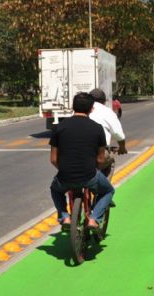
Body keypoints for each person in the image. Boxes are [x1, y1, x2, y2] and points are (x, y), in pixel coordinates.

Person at [49, 92, 115, 230]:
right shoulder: (97, 128)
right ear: (91, 109)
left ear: (72, 107)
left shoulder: (58, 128)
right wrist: (95, 169)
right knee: (108, 191)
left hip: (65, 177)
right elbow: (101, 158)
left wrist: (66, 170)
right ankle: (94, 219)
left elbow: (53, 159)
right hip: (89, 176)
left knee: (55, 190)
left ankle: (64, 217)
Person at [89, 89, 128, 163]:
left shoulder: (82, 110)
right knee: (110, 160)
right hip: (97, 153)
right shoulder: (107, 112)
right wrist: (122, 147)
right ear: (104, 101)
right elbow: (118, 134)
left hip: (75, 152)